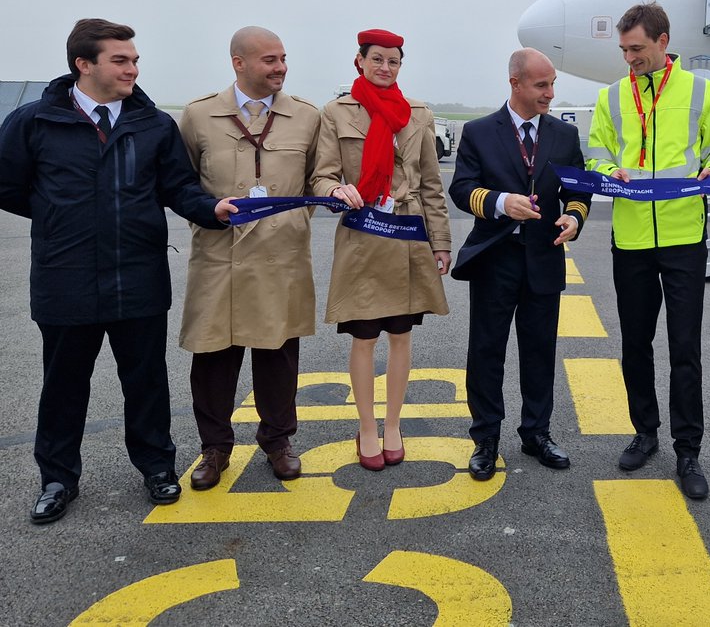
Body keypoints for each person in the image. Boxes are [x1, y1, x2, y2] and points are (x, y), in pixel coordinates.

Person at [0, 18, 236, 524]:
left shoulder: (152, 125)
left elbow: (178, 187)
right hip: (66, 278)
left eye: (134, 59)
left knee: (146, 381)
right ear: (84, 65)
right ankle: (58, 478)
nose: (133, 68)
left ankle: (155, 467)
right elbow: (8, 187)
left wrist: (210, 210)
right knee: (63, 384)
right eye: (120, 60)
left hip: (139, 276)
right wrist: (59, 216)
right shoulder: (34, 122)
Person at [587, 3, 710, 501]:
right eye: (625, 50)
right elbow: (598, 152)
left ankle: (688, 448)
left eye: (638, 49)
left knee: (684, 348)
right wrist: (610, 173)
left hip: (683, 236)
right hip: (630, 238)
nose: (630, 58)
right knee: (635, 343)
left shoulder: (700, 90)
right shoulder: (610, 97)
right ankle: (645, 432)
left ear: (663, 41)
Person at [178, 27, 321, 489]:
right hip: (221, 258)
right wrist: (205, 214)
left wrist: (331, 192)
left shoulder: (305, 116)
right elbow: (181, 185)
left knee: (278, 354)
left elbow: (320, 176)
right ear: (238, 63)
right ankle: (214, 448)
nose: (280, 67)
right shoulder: (199, 116)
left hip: (281, 257)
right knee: (214, 355)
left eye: (283, 58)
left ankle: (278, 442)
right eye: (269, 60)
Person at [312, 29, 452, 471]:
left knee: (401, 335)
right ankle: (367, 428)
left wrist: (441, 243)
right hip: (363, 233)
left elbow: (431, 184)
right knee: (364, 337)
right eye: (377, 60)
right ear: (360, 60)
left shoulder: (417, 114)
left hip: (408, 235)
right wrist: (336, 188)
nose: (385, 68)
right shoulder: (337, 112)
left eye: (393, 62)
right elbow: (321, 176)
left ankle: (393, 424)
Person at [449, 48, 591, 480]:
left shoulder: (563, 136)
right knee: (487, 351)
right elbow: (462, 189)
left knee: (539, 351)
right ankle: (486, 438)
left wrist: (574, 216)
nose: (550, 93)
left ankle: (536, 433)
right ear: (515, 84)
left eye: (552, 85)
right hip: (496, 257)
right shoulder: (478, 132)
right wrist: (499, 202)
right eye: (541, 85)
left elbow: (578, 189)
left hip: (544, 256)